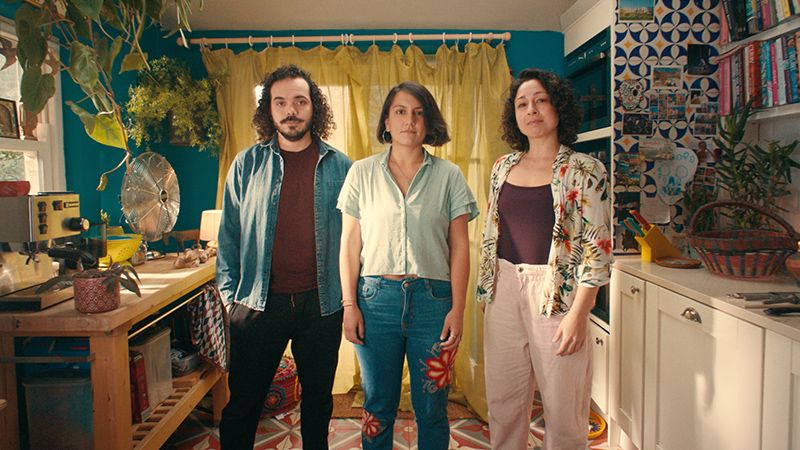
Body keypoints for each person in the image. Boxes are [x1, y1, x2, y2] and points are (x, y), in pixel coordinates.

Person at [216, 64, 352, 450]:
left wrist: (348, 299)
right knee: (242, 404)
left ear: (314, 107)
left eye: (299, 101)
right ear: (269, 110)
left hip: (322, 306)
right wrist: (230, 300)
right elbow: (228, 238)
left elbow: (355, 240)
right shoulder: (245, 165)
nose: (290, 110)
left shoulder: (342, 167)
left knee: (318, 404)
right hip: (258, 304)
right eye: (280, 102)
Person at [337, 81, 478, 450]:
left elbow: (460, 247)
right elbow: (350, 244)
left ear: (429, 124)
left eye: (418, 113)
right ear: (386, 121)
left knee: (432, 406)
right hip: (374, 301)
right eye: (400, 111)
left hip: (434, 303)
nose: (409, 121)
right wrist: (349, 305)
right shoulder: (361, 174)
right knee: (377, 405)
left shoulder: (449, 176)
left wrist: (457, 310)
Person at [476, 68, 612, 450]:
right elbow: (492, 233)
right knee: (503, 401)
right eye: (522, 103)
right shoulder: (502, 167)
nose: (531, 110)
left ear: (558, 107)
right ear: (514, 115)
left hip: (558, 295)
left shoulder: (587, 170)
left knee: (564, 404)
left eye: (540, 100)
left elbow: (597, 250)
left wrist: (579, 314)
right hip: (503, 287)